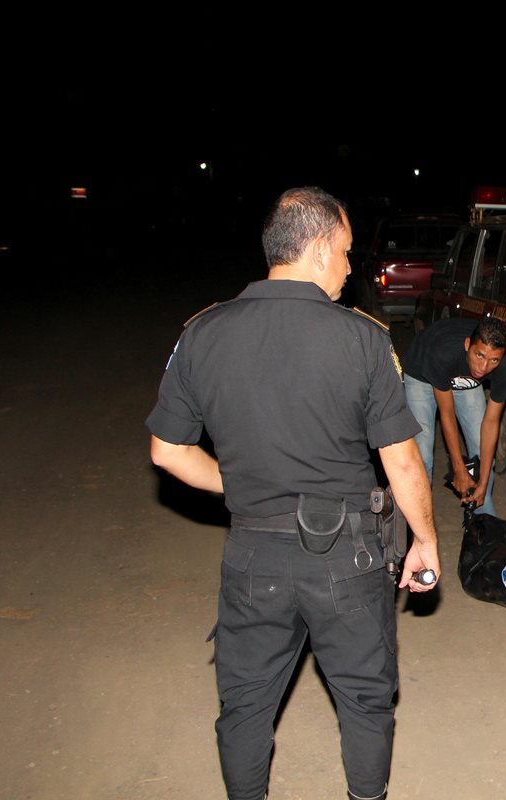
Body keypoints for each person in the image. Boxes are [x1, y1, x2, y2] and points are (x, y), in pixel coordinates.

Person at [146, 187, 439, 800]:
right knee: (364, 699)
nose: (351, 267)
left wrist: (242, 484)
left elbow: (167, 451)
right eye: (347, 252)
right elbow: (402, 461)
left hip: (254, 552)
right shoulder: (362, 338)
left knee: (246, 704)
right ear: (317, 249)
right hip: (348, 560)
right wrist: (426, 540)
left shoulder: (203, 331)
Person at [402, 317, 506, 516]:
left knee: (482, 450)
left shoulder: (504, 367)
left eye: (493, 360)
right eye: (479, 355)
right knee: (423, 453)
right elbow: (447, 414)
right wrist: (459, 470)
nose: (484, 367)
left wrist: (484, 482)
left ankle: (483, 522)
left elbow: (491, 422)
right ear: (467, 345)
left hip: (463, 375)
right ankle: (418, 524)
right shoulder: (443, 354)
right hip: (422, 374)